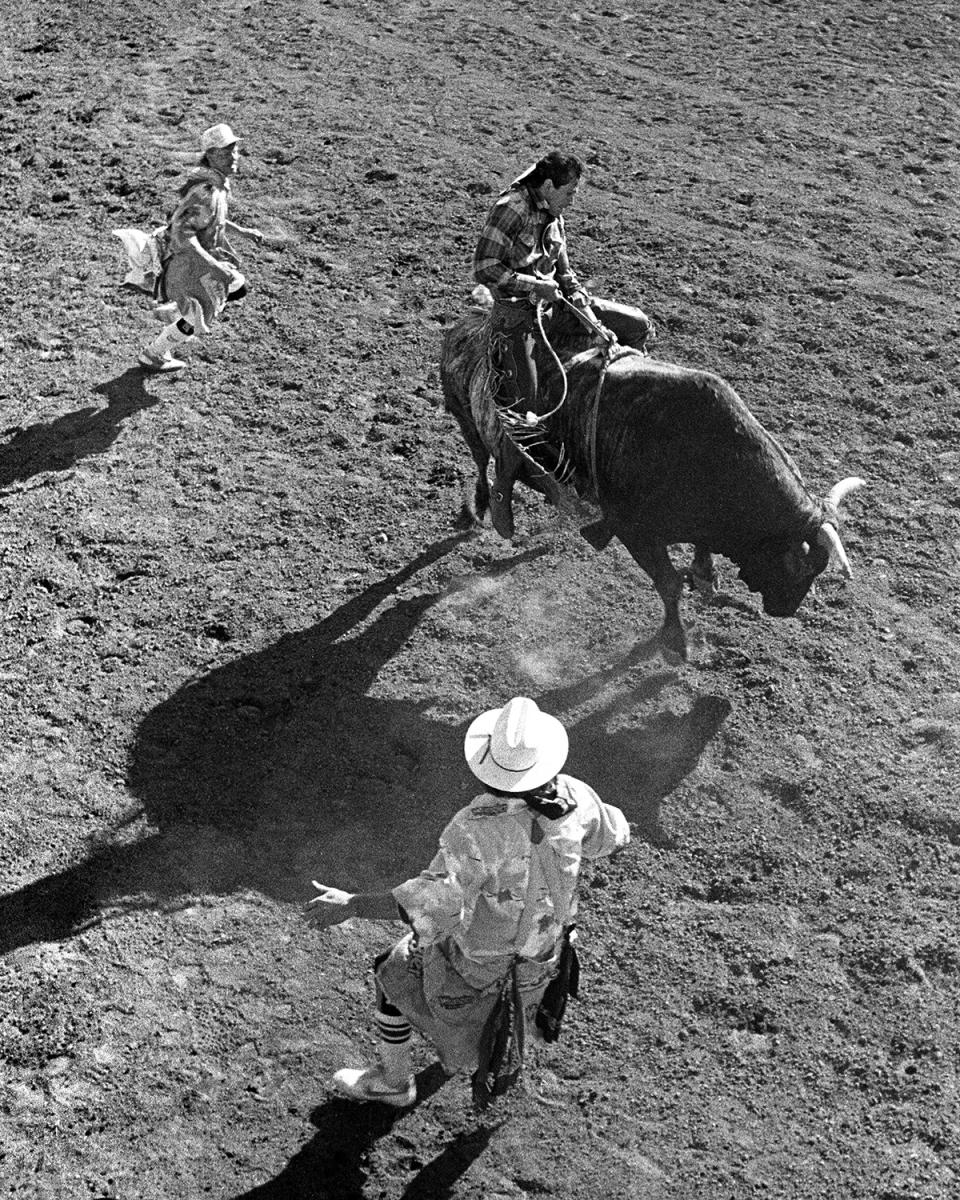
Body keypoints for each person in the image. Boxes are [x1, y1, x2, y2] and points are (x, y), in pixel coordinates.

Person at [305, 696, 630, 1108]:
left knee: (391, 971)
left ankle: (394, 1080)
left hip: (477, 964)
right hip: (544, 957)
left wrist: (353, 903)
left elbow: (433, 904)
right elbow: (613, 836)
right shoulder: (576, 797)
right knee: (519, 1003)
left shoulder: (473, 832)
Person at [472, 151, 654, 536]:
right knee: (524, 408)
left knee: (636, 324)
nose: (572, 199)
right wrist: (533, 285)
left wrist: (589, 313)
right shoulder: (512, 209)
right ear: (549, 185)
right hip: (517, 314)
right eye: (569, 191)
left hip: (557, 307)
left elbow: (566, 274)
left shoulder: (554, 216)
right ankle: (502, 486)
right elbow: (485, 267)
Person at [129, 123, 262, 372]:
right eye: (225, 152)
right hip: (188, 263)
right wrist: (214, 267)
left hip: (195, 260)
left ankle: (170, 322)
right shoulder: (207, 190)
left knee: (231, 290)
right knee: (200, 312)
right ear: (210, 155)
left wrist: (242, 232)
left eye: (234, 150)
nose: (233, 157)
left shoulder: (214, 185)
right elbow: (182, 235)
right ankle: (155, 352)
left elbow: (209, 219)